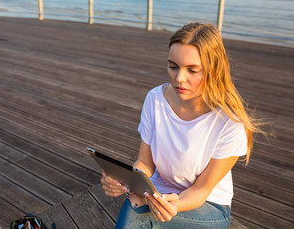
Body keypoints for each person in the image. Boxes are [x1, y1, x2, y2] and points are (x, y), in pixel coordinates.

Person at [101, 22, 263, 229]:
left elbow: (201, 191)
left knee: (137, 212)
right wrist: (124, 181)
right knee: (133, 202)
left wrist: (176, 204)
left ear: (214, 70)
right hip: (159, 192)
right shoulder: (155, 99)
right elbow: (145, 162)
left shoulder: (229, 123)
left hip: (208, 205)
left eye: (192, 70)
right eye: (173, 66)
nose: (179, 79)